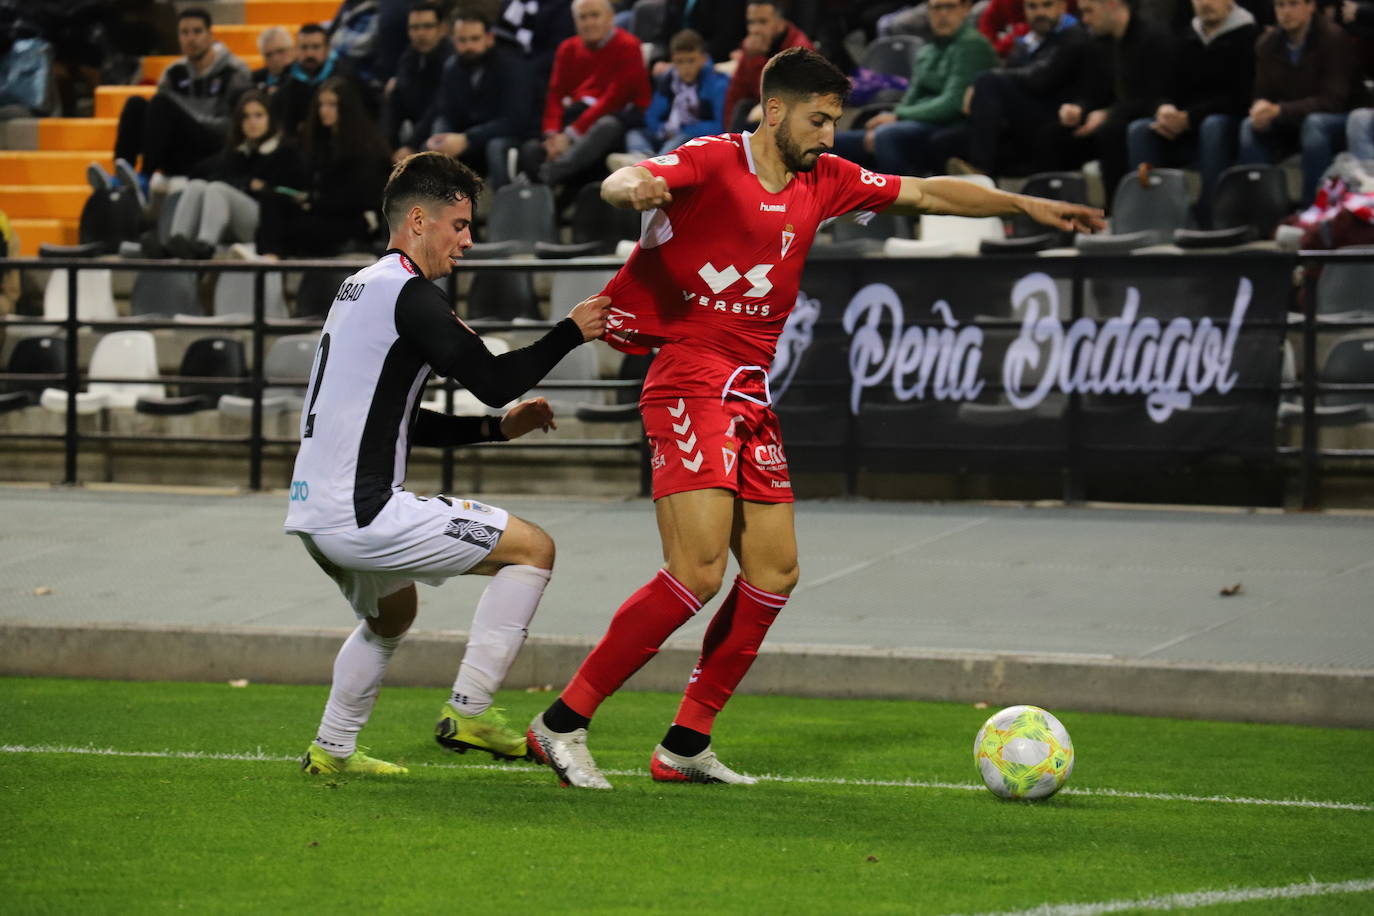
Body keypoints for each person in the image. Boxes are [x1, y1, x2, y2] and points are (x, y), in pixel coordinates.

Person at [524, 47, 1103, 789]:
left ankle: (685, 742)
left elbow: (925, 194)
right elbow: (633, 176)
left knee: (774, 572)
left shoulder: (824, 180)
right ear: (773, 111)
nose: (831, 136)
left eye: (837, 120)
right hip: (687, 377)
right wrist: (630, 186)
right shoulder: (710, 161)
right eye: (819, 119)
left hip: (748, 389)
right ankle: (562, 723)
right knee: (697, 573)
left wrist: (1023, 206)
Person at [291, 151, 613, 776]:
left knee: (393, 617)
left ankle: (331, 751)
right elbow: (493, 378)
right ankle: (471, 710)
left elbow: (398, 421)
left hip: (312, 514)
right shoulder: (409, 296)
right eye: (460, 225)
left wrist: (495, 430)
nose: (467, 241)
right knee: (534, 549)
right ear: (418, 219)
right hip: (363, 513)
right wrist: (571, 332)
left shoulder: (356, 288)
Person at [1124, 0, 1255, 224]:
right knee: (1139, 130)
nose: (1205, 3)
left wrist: (1190, 118)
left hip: (1228, 126)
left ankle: (1211, 217)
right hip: (1186, 126)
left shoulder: (1249, 36)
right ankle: (1149, 217)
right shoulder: (1185, 37)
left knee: (1213, 126)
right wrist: (1164, 108)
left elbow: (1241, 98)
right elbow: (1162, 88)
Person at [832, 0, 997, 176]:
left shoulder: (973, 45)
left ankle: (899, 198)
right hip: (916, 122)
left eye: (949, 6)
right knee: (830, 142)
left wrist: (898, 116)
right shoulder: (928, 50)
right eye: (936, 8)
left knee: (886, 136)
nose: (942, 14)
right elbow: (910, 97)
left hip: (951, 126)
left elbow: (953, 104)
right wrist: (893, 117)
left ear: (966, 9)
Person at [1040, 0, 1174, 204]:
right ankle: (1058, 214)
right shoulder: (1098, 43)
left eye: (1089, 11)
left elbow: (1153, 97)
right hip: (1106, 120)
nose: (1084, 19)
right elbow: (1091, 93)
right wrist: (1078, 108)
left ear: (1111, 4)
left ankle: (1115, 211)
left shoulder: (1153, 38)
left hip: (1142, 119)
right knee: (1053, 135)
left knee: (1111, 131)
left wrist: (1109, 113)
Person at [1239, 0, 1368, 205]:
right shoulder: (1267, 43)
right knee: (1250, 126)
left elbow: (1333, 101)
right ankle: (1260, 209)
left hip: (1338, 119)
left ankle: (1314, 207)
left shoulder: (1334, 38)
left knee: (1315, 125)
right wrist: (1259, 109)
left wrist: (1280, 109)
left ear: (1310, 6)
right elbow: (1262, 93)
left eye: (1293, 4)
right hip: (1291, 117)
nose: (1286, 12)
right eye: (1280, 6)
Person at [943, 0, 1088, 178]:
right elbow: (1012, 72)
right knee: (944, 141)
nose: (1039, 12)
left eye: (1047, 5)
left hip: (1057, 114)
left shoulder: (1073, 36)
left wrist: (990, 80)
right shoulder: (1027, 40)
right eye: (1032, 7)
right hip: (1023, 116)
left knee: (988, 80)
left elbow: (1040, 79)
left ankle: (980, 170)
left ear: (1062, 6)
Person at [112, 7, 252, 191]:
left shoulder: (235, 71)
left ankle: (145, 177)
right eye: (184, 33)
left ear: (210, 35)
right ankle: (122, 174)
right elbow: (157, 124)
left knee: (162, 104)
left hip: (212, 148)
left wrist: (189, 118)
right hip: (178, 150)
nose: (190, 38)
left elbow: (235, 125)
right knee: (135, 104)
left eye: (197, 31)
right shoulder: (173, 72)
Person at [253, 76, 391, 259]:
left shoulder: (366, 147)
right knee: (271, 201)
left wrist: (311, 200)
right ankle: (270, 259)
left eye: (332, 105)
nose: (324, 111)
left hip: (351, 218)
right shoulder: (317, 143)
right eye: (321, 105)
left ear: (346, 107)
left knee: (284, 228)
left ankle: (270, 260)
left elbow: (359, 198)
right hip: (320, 210)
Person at [520, 0, 650, 189]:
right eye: (583, 17)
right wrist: (553, 134)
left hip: (620, 116)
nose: (589, 23)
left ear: (610, 18)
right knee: (531, 147)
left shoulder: (629, 46)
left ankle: (542, 178)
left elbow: (613, 100)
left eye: (595, 16)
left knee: (606, 125)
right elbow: (556, 94)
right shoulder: (567, 48)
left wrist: (570, 135)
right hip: (576, 116)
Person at [165, 90, 306, 259]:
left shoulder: (286, 151)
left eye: (258, 115)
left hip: (267, 224)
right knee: (197, 186)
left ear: (271, 118)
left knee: (218, 189)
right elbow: (203, 173)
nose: (251, 122)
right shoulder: (238, 151)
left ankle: (205, 245)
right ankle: (177, 241)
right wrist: (247, 184)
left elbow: (289, 193)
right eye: (245, 117)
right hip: (229, 220)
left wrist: (255, 187)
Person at [424, 9, 533, 188]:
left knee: (496, 147)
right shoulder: (452, 69)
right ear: (454, 41)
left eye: (475, 39)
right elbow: (445, 112)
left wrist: (468, 139)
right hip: (468, 140)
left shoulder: (512, 66)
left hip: (506, 138)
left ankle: (505, 211)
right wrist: (440, 137)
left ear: (489, 38)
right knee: (429, 150)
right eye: (462, 40)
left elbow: (515, 121)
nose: (469, 47)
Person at [623, 28, 730, 159]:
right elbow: (652, 116)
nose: (686, 67)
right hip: (667, 133)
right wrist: (662, 129)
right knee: (634, 134)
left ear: (703, 59)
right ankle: (643, 157)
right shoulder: (667, 80)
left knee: (681, 139)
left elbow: (720, 126)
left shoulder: (718, 83)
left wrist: (683, 129)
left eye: (691, 60)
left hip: (695, 139)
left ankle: (649, 166)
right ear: (673, 60)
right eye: (680, 61)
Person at [723, 1, 813, 132]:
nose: (755, 29)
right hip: (765, 113)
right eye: (751, 22)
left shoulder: (799, 50)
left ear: (780, 22)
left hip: (794, 120)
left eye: (763, 22)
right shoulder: (752, 47)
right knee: (743, 106)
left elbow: (779, 95)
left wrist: (756, 59)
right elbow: (735, 95)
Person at [383, 1, 452, 162]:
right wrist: (388, 145)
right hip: (417, 129)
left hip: (443, 131)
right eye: (414, 28)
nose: (420, 33)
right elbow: (395, 102)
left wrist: (410, 146)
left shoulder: (452, 62)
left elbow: (438, 108)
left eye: (428, 26)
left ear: (442, 29)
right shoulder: (408, 58)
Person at [252, 25, 294, 93]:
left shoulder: (302, 76)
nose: (275, 58)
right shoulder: (255, 78)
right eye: (268, 55)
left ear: (292, 50)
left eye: (280, 51)